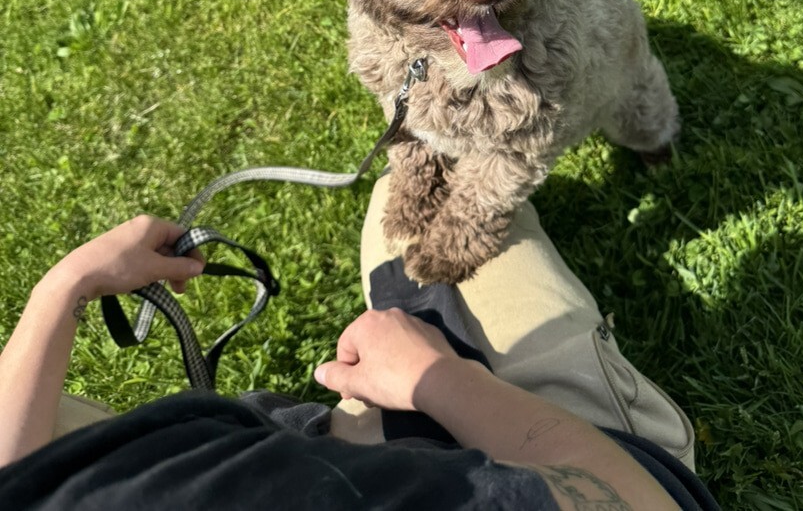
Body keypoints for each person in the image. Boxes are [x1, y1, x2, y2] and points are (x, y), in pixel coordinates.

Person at [0, 174, 719, 509]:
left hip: (329, 455)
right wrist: (437, 378)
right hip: (581, 464)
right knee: (429, 197)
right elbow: (635, 502)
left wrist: (64, 291)